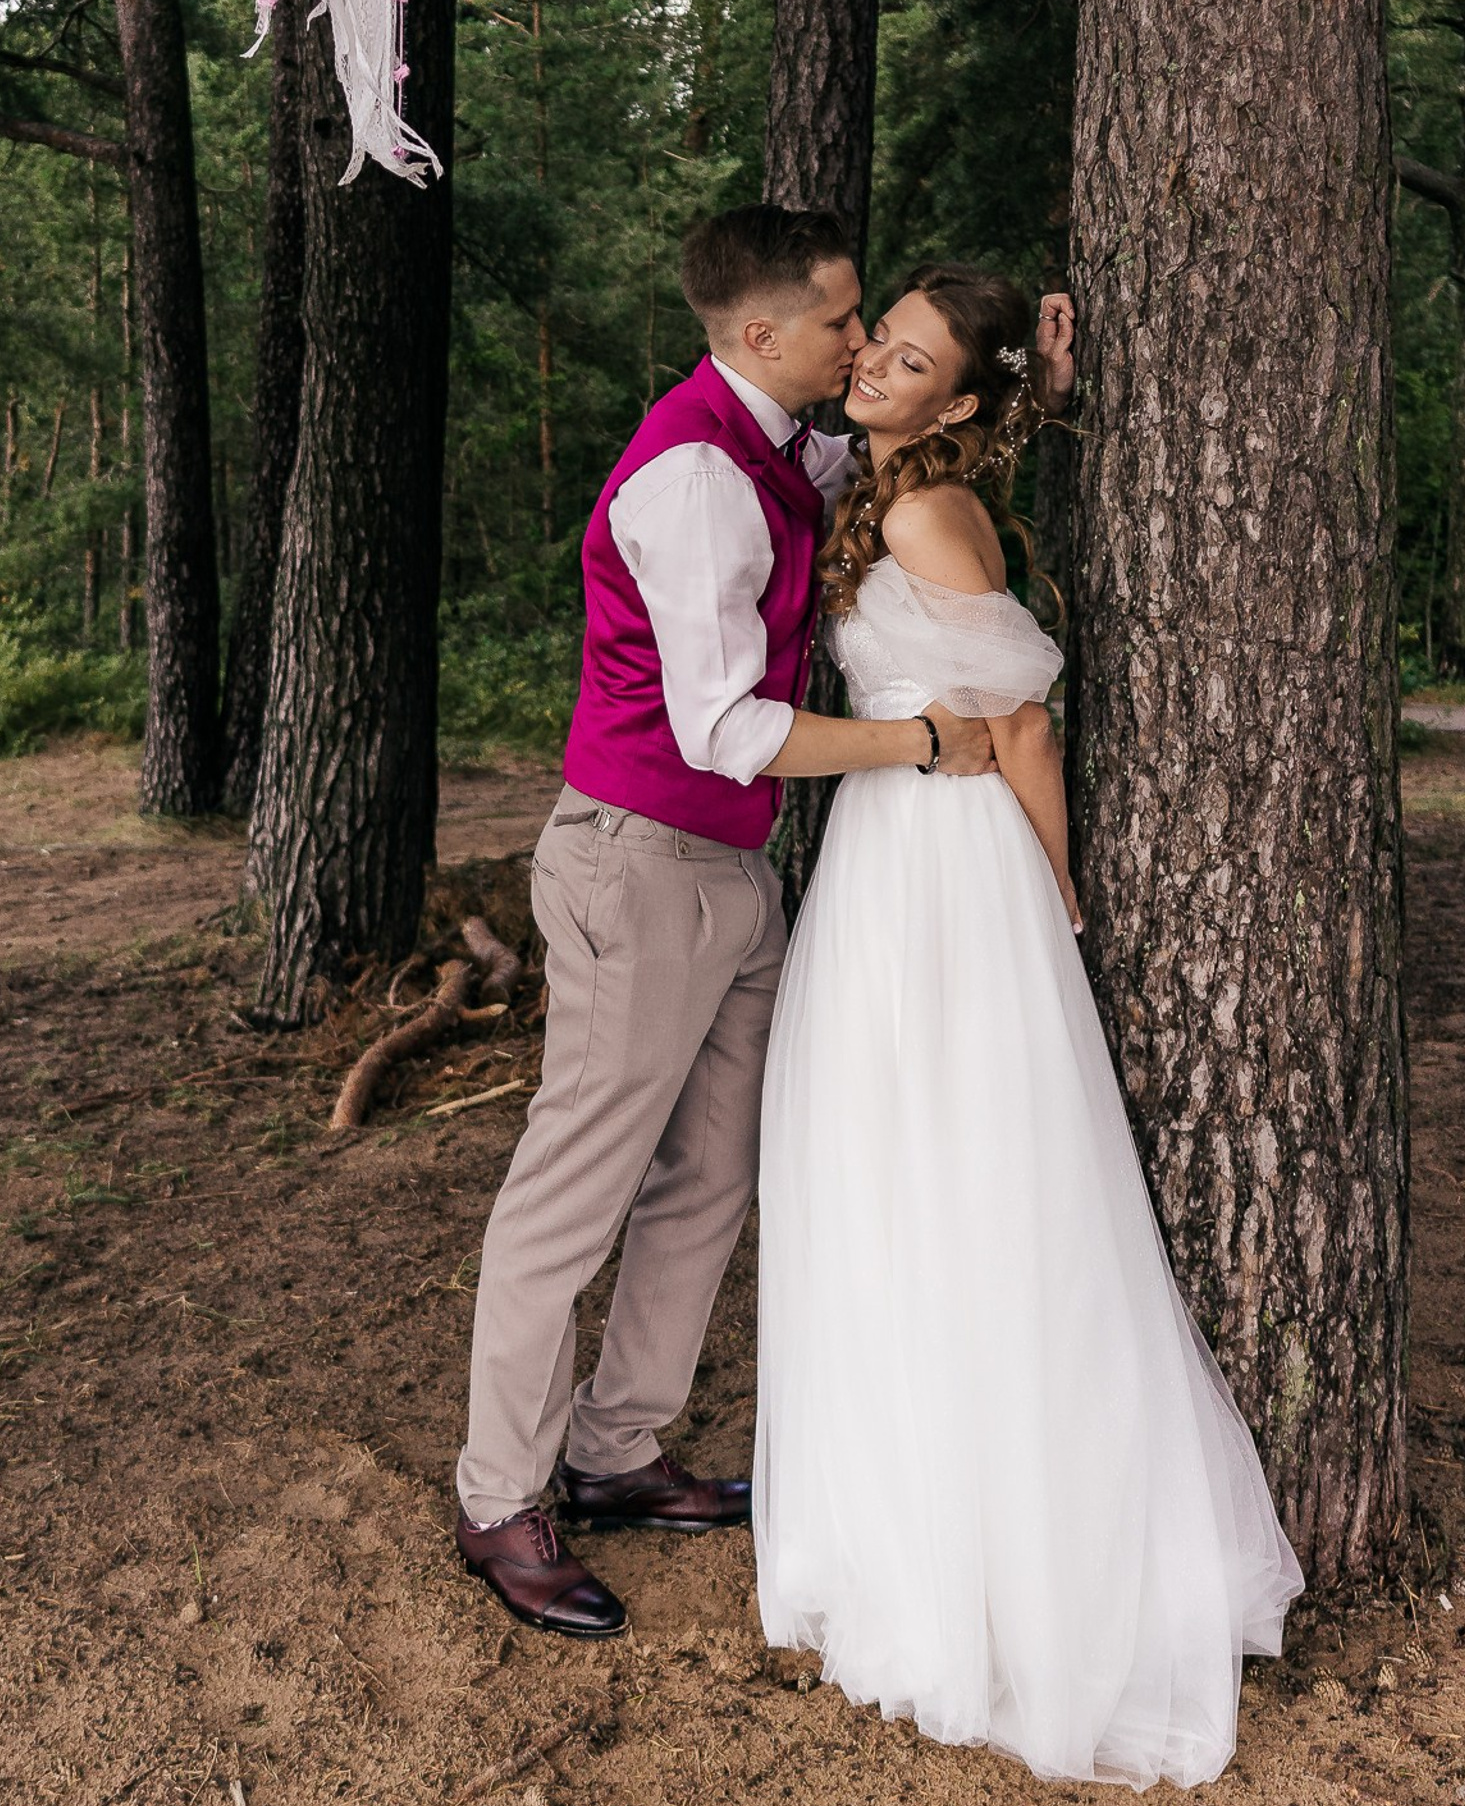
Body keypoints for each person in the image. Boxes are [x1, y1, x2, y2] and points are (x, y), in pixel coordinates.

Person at [451, 206, 1076, 1638]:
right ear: (760, 332)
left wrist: (1040, 386)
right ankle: (501, 1497)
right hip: (638, 864)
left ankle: (617, 1449)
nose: (860, 342)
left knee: (715, 1172)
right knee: (573, 1191)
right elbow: (724, 730)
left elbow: (926, 452)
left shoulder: (786, 444)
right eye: (844, 320)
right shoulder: (694, 479)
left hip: (736, 875)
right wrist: (921, 745)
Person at [754, 263, 1304, 1790]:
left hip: (948, 869)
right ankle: (900, 1517)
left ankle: (988, 1560)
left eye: (909, 359)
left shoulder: (926, 514)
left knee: (959, 1177)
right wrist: (1042, 398)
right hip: (885, 857)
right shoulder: (886, 476)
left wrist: (1055, 878)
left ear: (953, 402)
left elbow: (1023, 725)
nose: (873, 363)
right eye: (879, 340)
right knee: (885, 1172)